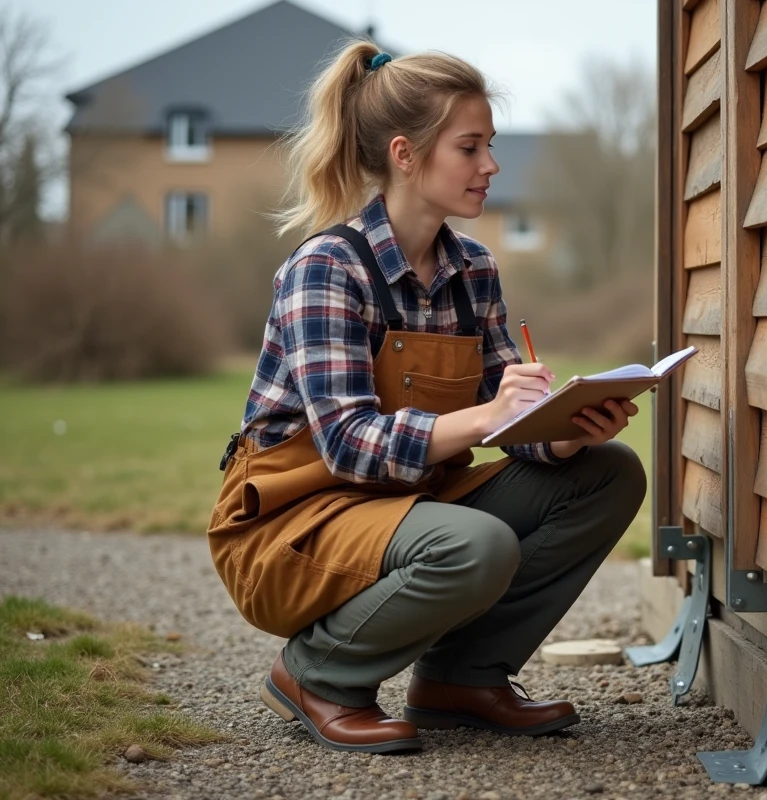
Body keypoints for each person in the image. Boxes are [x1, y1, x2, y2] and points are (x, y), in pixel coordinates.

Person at [206, 42, 647, 755]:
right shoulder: (326, 268)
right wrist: (484, 415)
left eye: (490, 146)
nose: (490, 166)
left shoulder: (473, 268)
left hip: (405, 509)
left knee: (609, 472)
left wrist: (563, 432)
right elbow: (348, 445)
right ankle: (317, 674)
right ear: (407, 155)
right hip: (294, 524)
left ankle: (462, 680)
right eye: (469, 147)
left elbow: (513, 423)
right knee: (476, 545)